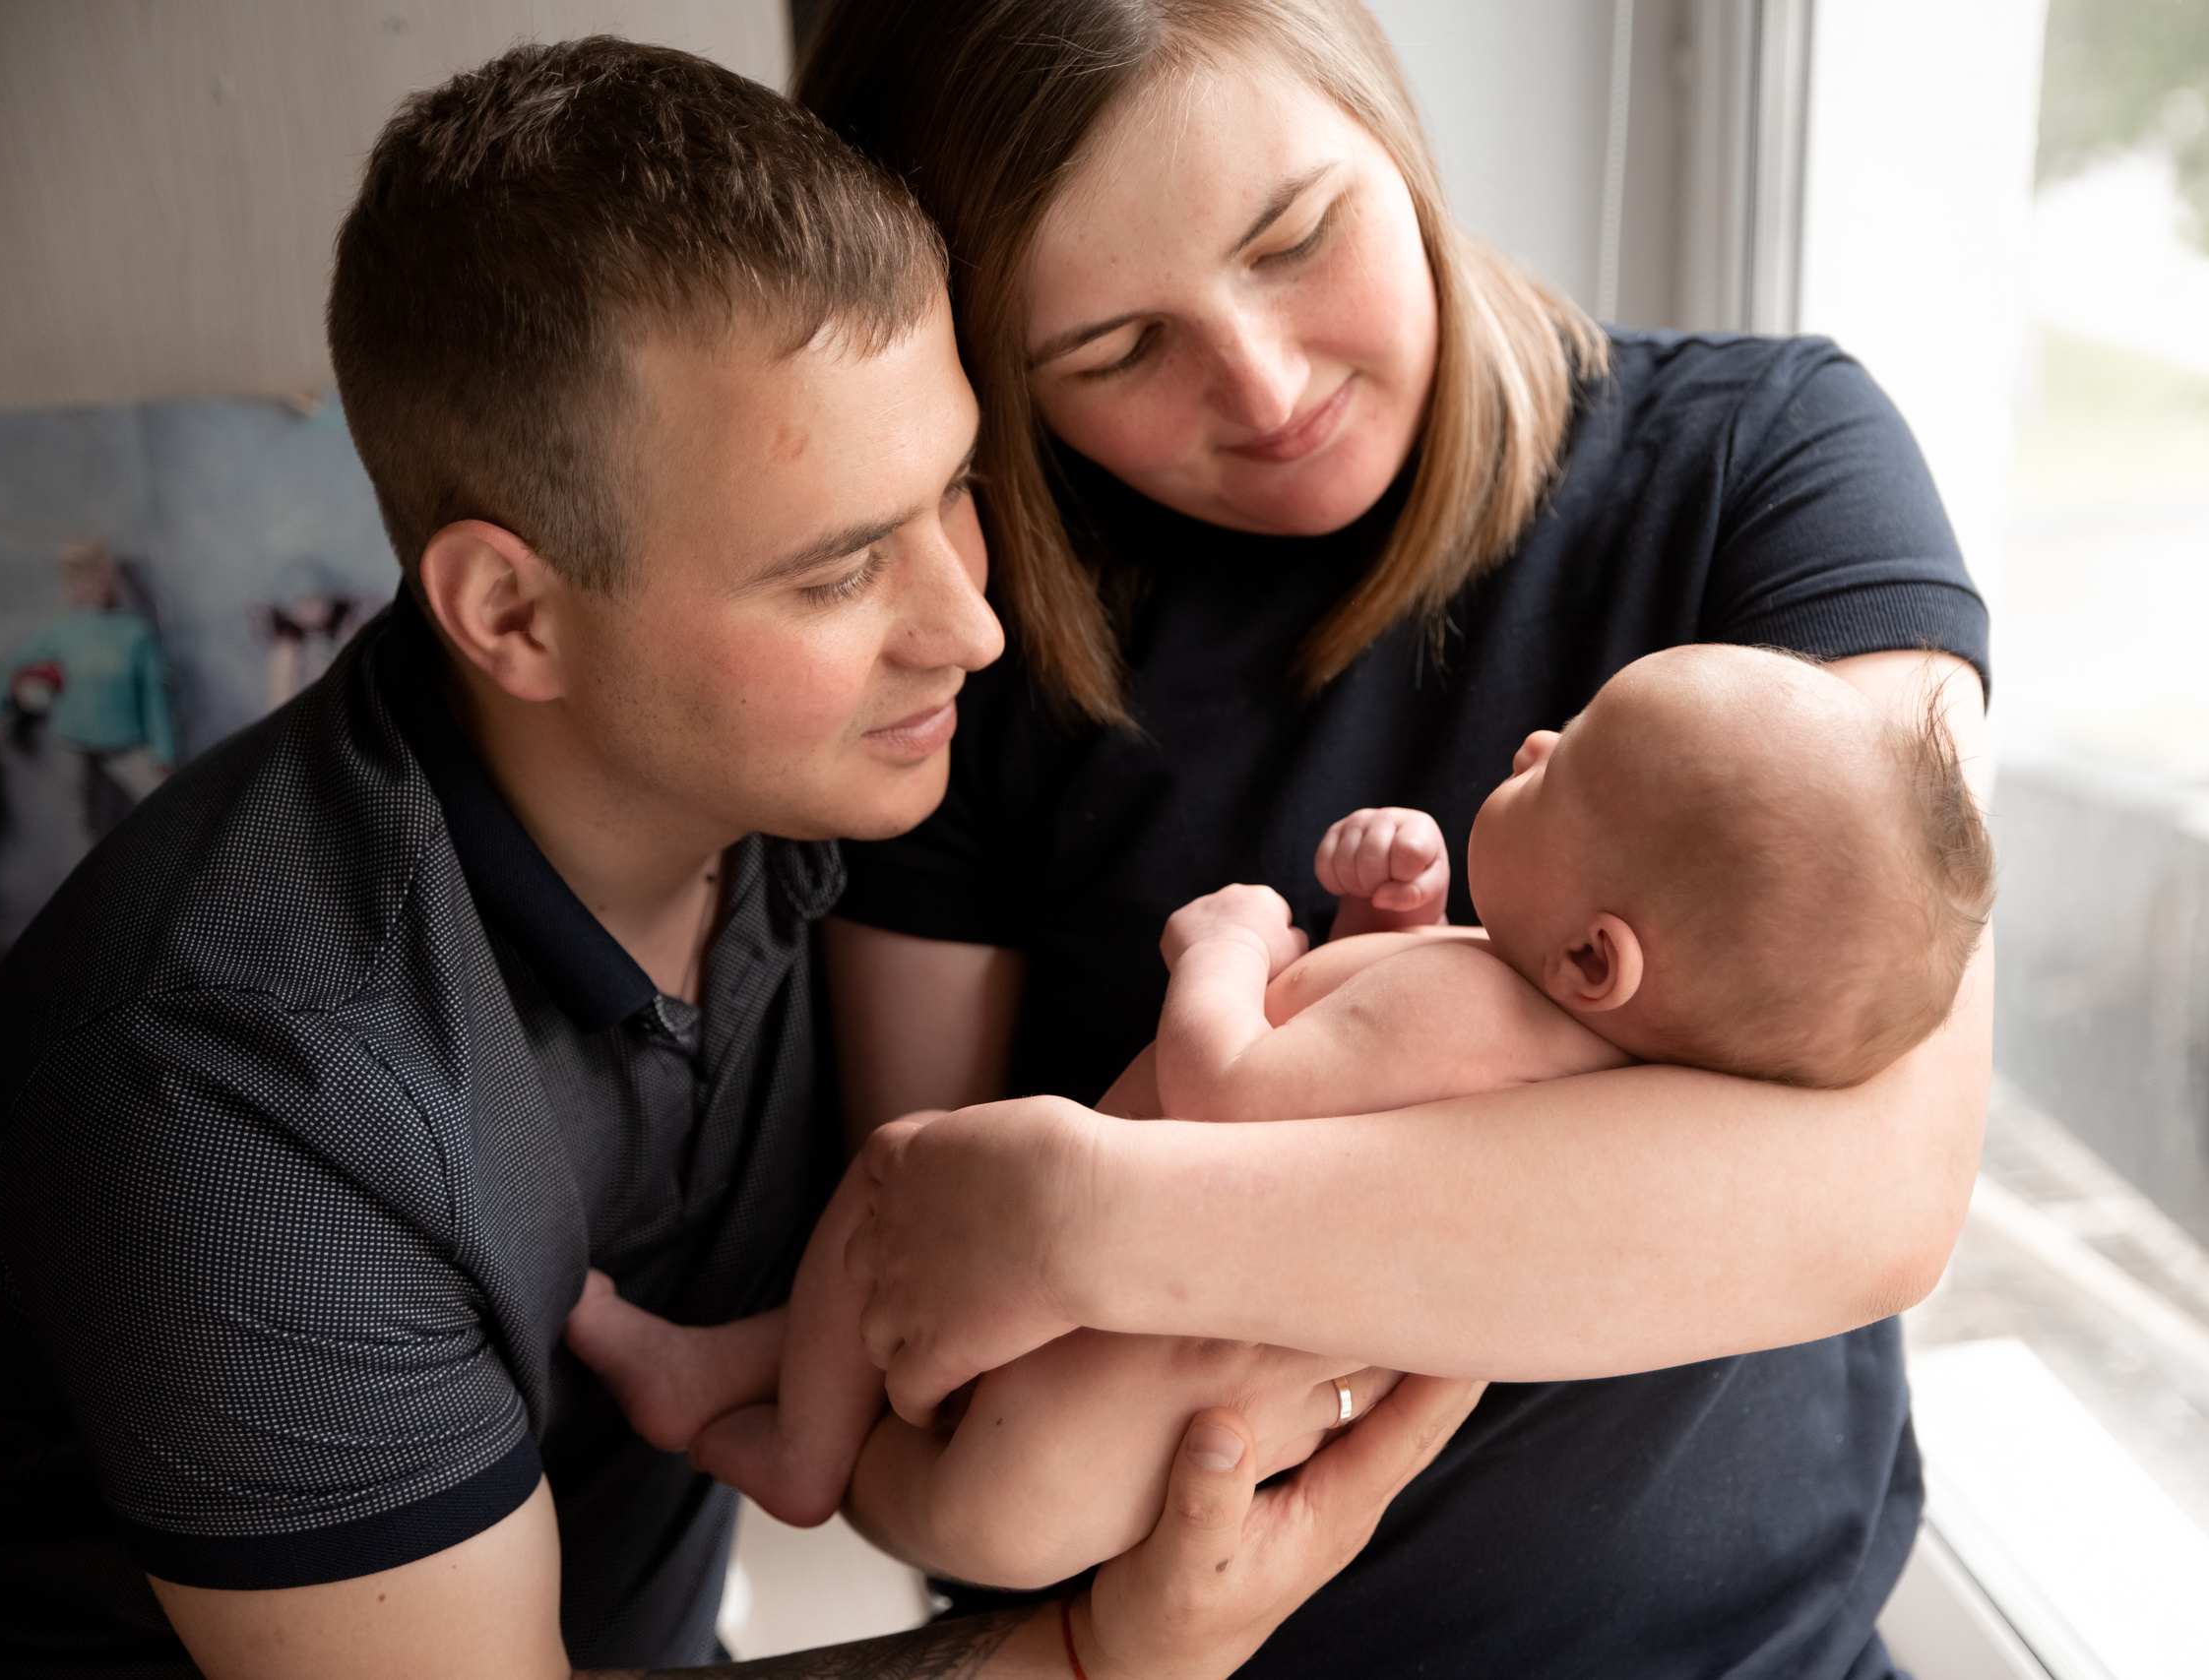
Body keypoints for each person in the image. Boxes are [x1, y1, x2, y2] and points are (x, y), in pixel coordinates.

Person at [0, 39, 1478, 1680]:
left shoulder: (808, 791)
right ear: (513, 613)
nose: (969, 626)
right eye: (835, 574)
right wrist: (1106, 1656)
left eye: (954, 489)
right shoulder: (235, 1103)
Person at [789, 3, 1996, 1675]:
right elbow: (915, 1314)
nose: (1265, 384)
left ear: (1388, 128)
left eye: (1296, 237)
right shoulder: (974, 652)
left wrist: (1095, 1216)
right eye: (1115, 350)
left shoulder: (1766, 460)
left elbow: (1875, 1194)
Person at [566, 642, 1997, 1600]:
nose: (1536, 737)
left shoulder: (1465, 1009)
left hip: (1032, 1431)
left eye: (1567, 767)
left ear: (1593, 956)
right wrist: (1388, 923)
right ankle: (726, 1374)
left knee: (896, 1186)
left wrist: (1231, 943)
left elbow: (1233, 1093)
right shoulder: (1558, 1058)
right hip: (1076, 1469)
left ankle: (792, 1443)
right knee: (897, 1267)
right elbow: (1358, 1085)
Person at [0, 538, 175, 840]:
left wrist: (164, 750)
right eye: (80, 577)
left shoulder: (134, 632)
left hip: (123, 739)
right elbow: (18, 666)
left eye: (97, 574)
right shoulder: (60, 632)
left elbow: (154, 694)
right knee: (82, 817)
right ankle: (91, 865)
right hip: (72, 738)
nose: (91, 584)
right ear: (69, 584)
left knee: (164, 799)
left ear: (110, 578)